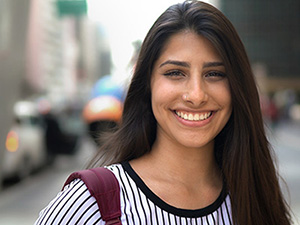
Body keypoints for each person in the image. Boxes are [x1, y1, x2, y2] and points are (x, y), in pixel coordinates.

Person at [34, 1, 292, 224]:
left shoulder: (255, 198)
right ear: (148, 84)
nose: (196, 95)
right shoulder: (91, 205)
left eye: (214, 74)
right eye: (175, 73)